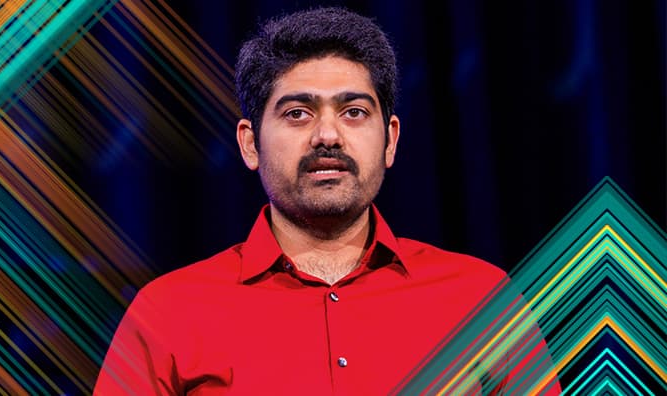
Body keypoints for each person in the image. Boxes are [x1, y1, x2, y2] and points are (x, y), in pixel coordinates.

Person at [94, 7, 561, 394]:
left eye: (354, 112)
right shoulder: (169, 313)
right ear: (250, 144)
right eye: (297, 113)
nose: (327, 136)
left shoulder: (479, 298)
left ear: (391, 140)